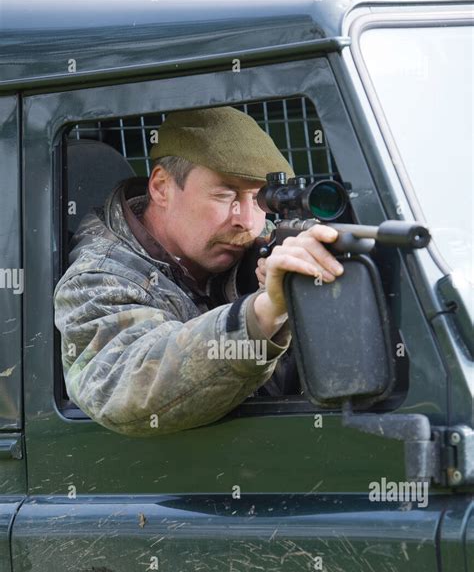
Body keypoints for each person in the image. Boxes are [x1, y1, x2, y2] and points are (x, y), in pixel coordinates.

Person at [54, 106, 342, 436]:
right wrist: (262, 312)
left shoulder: (256, 249)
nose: (246, 221)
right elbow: (124, 388)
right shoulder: (97, 279)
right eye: (225, 195)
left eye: (259, 200)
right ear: (161, 187)